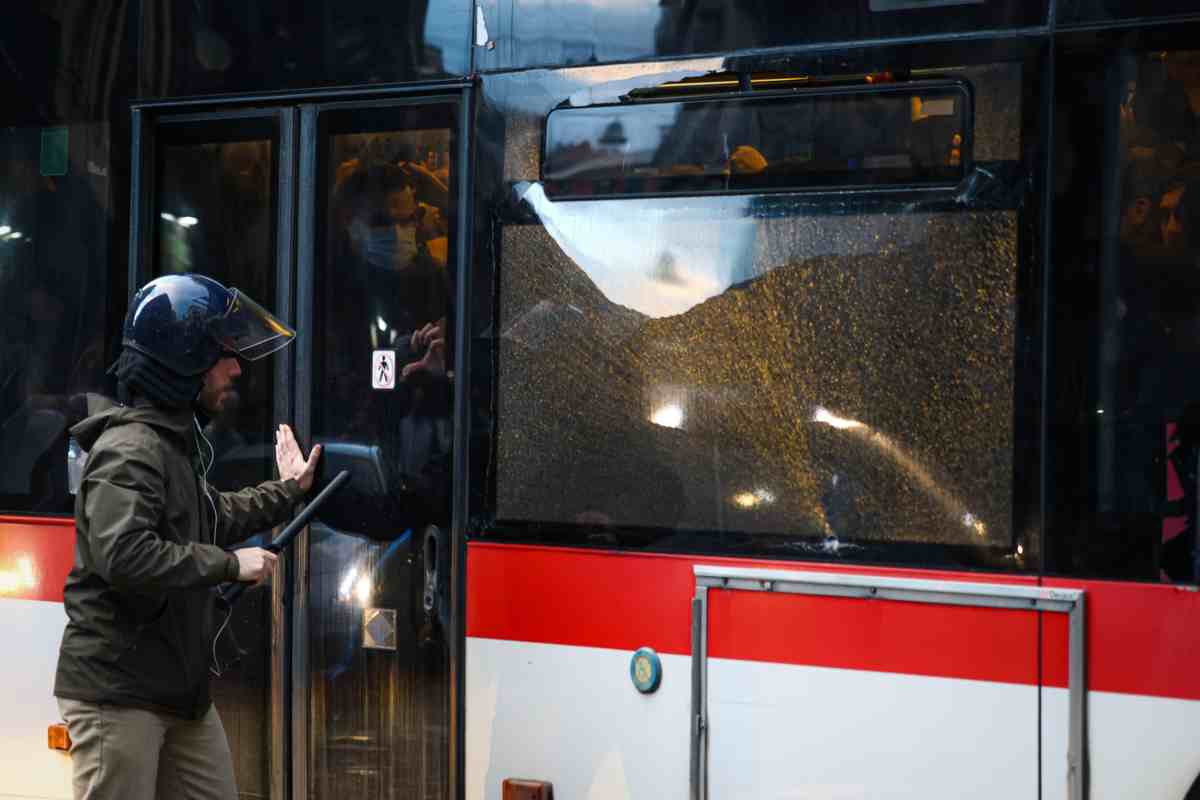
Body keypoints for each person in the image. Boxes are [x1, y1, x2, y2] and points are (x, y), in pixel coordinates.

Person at [53, 273, 323, 800]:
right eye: (224, 354)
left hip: (178, 689)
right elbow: (122, 554)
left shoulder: (169, 447)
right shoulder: (132, 449)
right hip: (120, 690)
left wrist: (289, 490)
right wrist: (228, 565)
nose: (236, 368)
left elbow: (213, 514)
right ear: (184, 361)